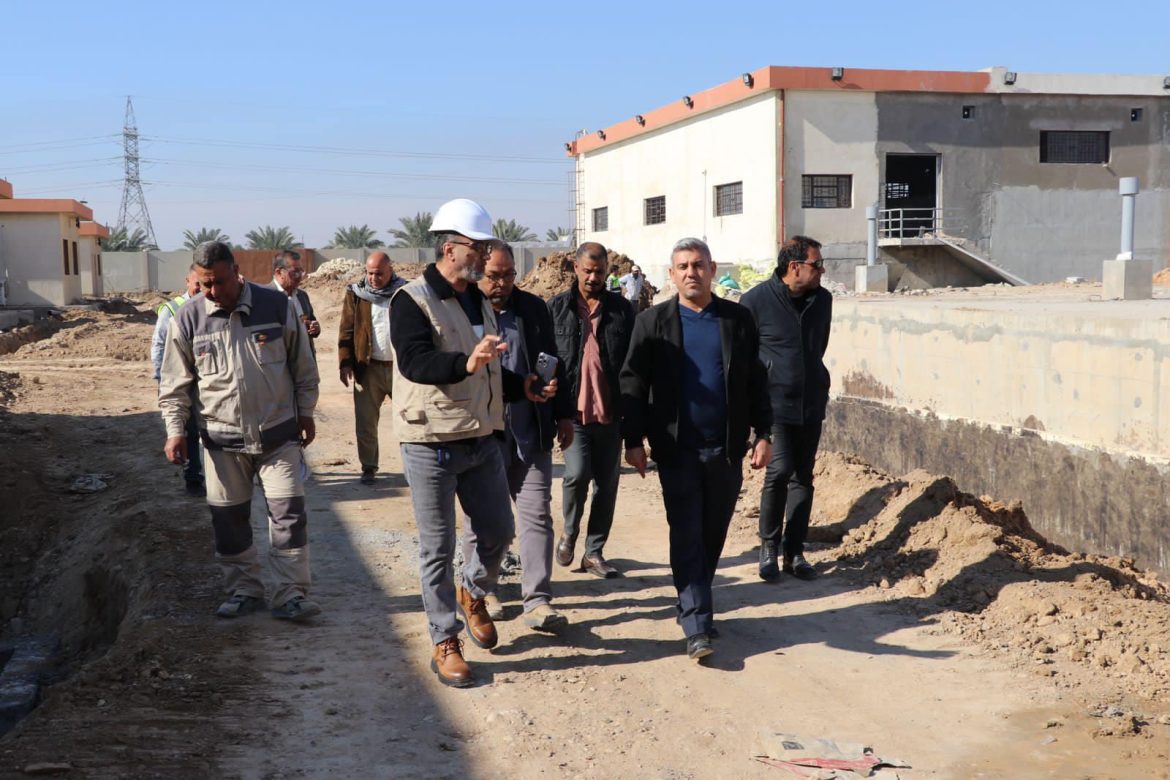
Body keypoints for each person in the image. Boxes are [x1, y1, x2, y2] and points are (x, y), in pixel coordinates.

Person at [390, 199, 556, 687]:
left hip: (481, 434)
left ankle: (472, 589)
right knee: (438, 547)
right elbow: (415, 362)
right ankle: (445, 641)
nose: (485, 255)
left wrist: (522, 386)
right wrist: (465, 362)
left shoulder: (477, 299)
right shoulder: (411, 300)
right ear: (450, 248)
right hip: (431, 440)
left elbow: (489, 365)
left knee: (499, 531)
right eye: (478, 247)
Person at [621, 237, 772, 661]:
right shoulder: (652, 322)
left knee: (712, 534)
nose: (692, 272)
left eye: (699, 265)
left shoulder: (737, 320)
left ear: (712, 269)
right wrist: (633, 440)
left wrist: (765, 433)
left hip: (726, 450)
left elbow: (755, 381)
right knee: (686, 532)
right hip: (677, 450)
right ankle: (697, 623)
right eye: (683, 266)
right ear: (672, 275)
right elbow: (632, 382)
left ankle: (693, 600)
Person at [158, 241, 321, 621]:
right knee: (229, 521)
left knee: (288, 516)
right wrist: (175, 430)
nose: (213, 291)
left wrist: (306, 412)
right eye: (205, 284)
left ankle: (291, 594)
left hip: (278, 436)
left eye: (219, 281)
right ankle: (244, 589)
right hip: (222, 441)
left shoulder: (276, 306)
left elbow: (303, 367)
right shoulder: (188, 318)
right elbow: (175, 385)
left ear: (236, 271)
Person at [461, 242, 573, 632]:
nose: (503, 283)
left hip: (530, 429)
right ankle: (482, 592)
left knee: (537, 514)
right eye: (494, 275)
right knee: (482, 519)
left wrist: (561, 411)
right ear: (478, 272)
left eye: (509, 275)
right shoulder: (462, 310)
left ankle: (538, 601)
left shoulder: (532, 308)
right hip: (481, 434)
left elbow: (553, 359)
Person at [740, 235, 833, 583]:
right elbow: (746, 359)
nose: (822, 270)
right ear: (794, 267)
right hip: (774, 405)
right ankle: (769, 548)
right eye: (816, 264)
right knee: (779, 472)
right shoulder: (755, 301)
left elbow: (819, 346)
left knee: (803, 477)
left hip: (810, 402)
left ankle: (795, 552)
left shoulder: (822, 300)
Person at [549, 242, 635, 578]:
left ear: (607, 272)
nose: (593, 277)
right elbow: (546, 359)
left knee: (607, 485)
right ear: (575, 267)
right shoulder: (557, 308)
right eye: (587, 270)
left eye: (599, 272)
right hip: (573, 414)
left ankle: (594, 552)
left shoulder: (623, 311)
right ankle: (570, 532)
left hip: (610, 413)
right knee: (576, 474)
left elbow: (632, 362)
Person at [338, 251, 409, 485]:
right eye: (369, 273)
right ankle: (368, 467)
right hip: (368, 369)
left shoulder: (406, 292)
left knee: (411, 420)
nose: (373, 278)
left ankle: (415, 467)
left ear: (391, 271)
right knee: (366, 423)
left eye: (379, 274)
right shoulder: (357, 294)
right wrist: (345, 363)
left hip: (402, 370)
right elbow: (346, 330)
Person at [152, 264, 205, 496]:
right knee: (189, 430)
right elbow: (159, 344)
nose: (201, 289)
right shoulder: (173, 309)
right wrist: (161, 378)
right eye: (197, 284)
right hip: (183, 379)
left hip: (205, 378)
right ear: (187, 281)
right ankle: (193, 477)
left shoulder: (211, 305)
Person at [271, 249, 321, 355]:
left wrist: (314, 328)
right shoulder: (266, 296)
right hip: (280, 360)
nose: (299, 277)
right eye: (295, 272)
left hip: (306, 360)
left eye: (301, 272)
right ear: (279, 272)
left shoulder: (302, 296)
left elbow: (311, 320)